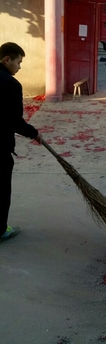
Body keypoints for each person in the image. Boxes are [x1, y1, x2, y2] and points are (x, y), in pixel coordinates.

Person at [0, 42, 42, 242]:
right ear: (6, 60)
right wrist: (34, 133)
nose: (19, 67)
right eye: (18, 62)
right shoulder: (10, 84)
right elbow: (14, 121)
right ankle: (1, 230)